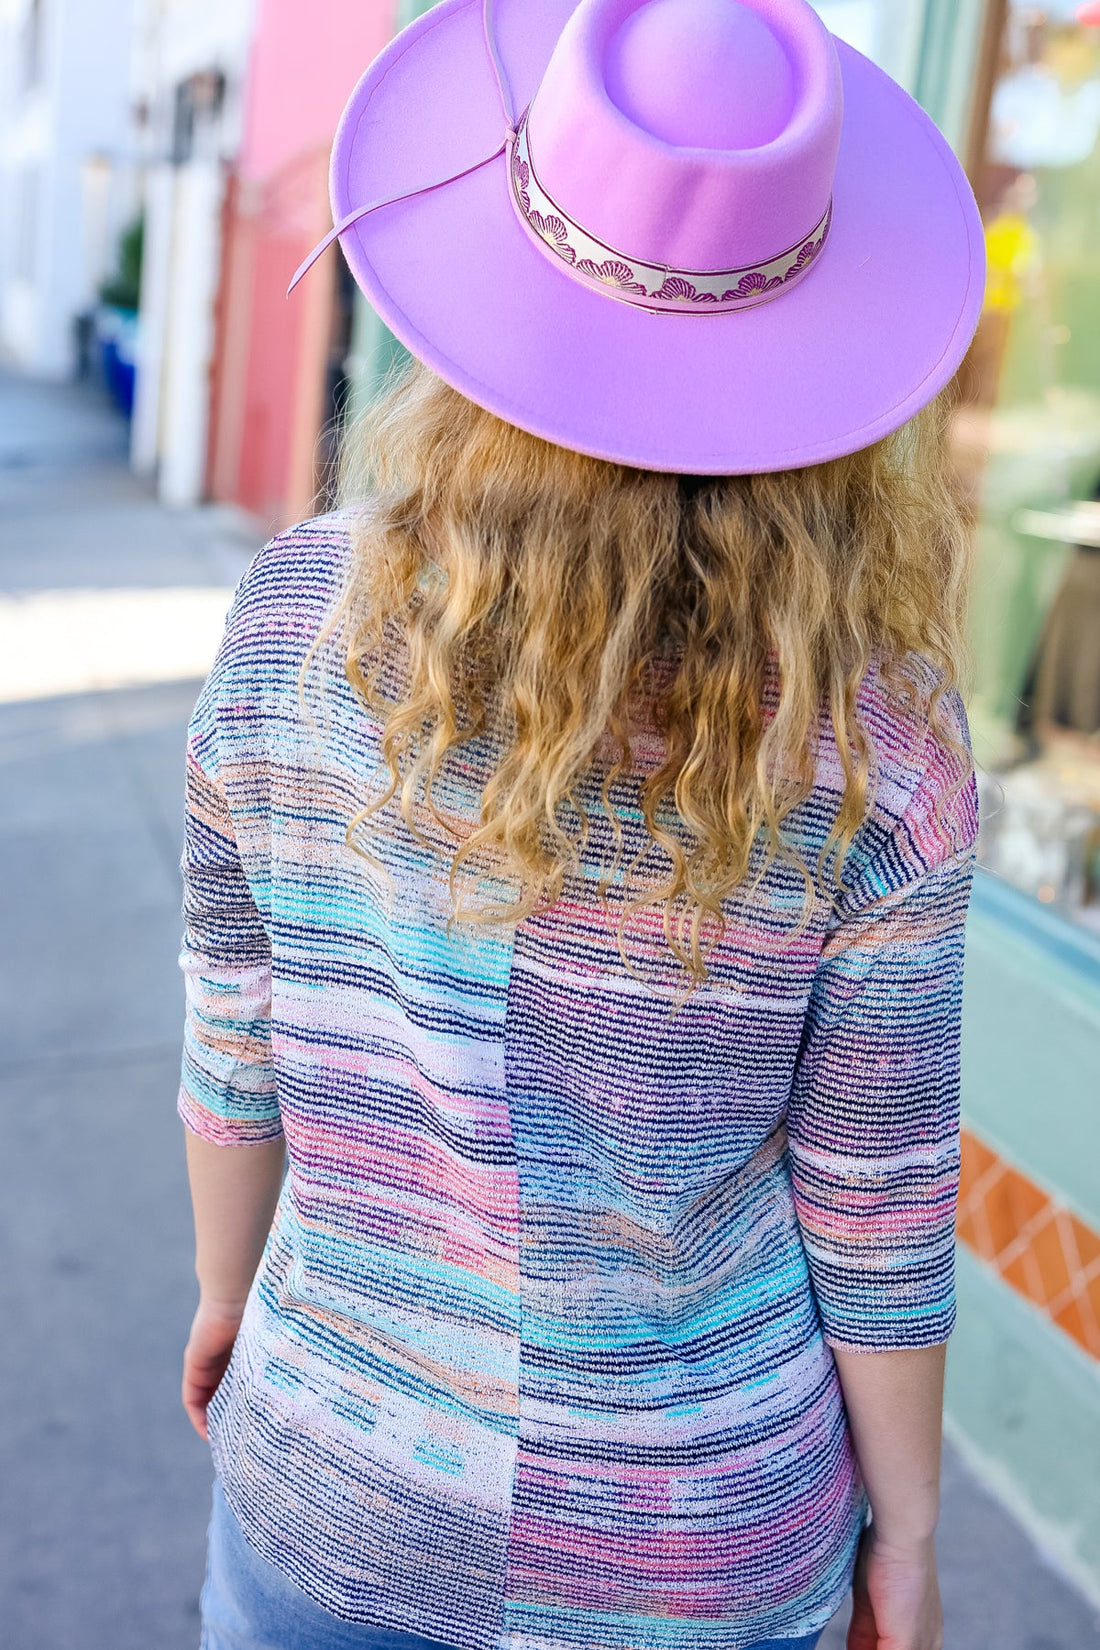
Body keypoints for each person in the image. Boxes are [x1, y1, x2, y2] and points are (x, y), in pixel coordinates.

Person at [177, 1, 986, 1648]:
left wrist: (222, 1292)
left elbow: (235, 1021)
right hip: (706, 1542)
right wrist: (903, 1527)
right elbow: (874, 1195)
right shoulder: (882, 742)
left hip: (332, 1470)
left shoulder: (294, 622)